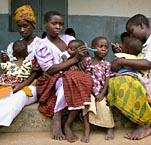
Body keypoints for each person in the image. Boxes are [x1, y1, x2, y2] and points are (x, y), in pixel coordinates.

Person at [35, 11, 94, 142]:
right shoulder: (41, 45)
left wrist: (83, 56)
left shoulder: (69, 39)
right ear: (45, 24)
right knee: (67, 81)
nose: (58, 27)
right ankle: (57, 116)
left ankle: (67, 124)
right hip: (54, 78)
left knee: (83, 80)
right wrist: (75, 60)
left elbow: (82, 52)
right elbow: (50, 70)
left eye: (61, 24)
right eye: (54, 23)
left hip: (75, 74)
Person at [107, 14, 151, 140]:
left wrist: (121, 61)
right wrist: (124, 52)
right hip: (145, 76)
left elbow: (148, 63)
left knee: (125, 82)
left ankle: (145, 123)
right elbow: (137, 58)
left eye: (132, 32)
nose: (131, 36)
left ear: (142, 26)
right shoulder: (144, 44)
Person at [0, 5, 41, 126]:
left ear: (33, 25)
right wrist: (5, 61)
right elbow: (8, 69)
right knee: (4, 95)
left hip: (32, 85)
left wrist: (21, 85)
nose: (22, 30)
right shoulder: (12, 45)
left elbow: (37, 72)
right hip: (11, 83)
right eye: (19, 27)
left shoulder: (41, 45)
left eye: (25, 26)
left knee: (19, 97)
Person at [81, 36, 114, 143]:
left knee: (104, 107)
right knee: (86, 106)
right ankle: (87, 130)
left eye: (106, 47)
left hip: (100, 92)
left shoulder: (107, 64)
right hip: (88, 92)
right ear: (92, 48)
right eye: (100, 46)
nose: (104, 49)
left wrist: (103, 93)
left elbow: (107, 80)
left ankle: (109, 128)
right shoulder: (87, 61)